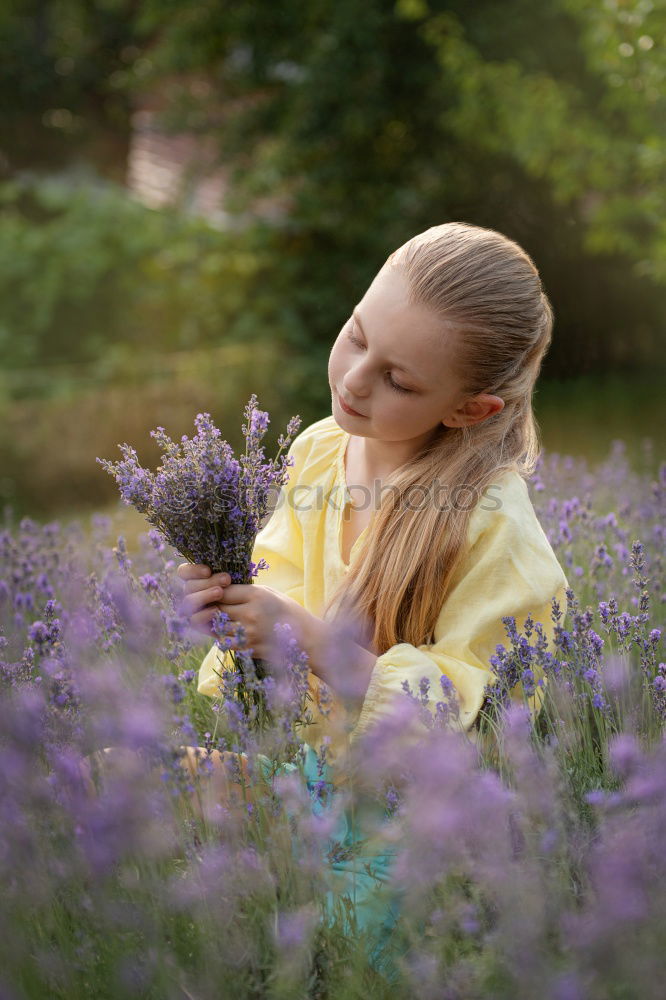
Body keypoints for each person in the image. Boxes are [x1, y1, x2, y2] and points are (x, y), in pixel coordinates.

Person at [178, 221, 569, 972]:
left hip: (421, 829)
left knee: (324, 945)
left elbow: (466, 722)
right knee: (107, 785)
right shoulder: (322, 450)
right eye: (357, 335)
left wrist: (314, 641)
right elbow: (280, 585)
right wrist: (235, 616)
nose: (355, 380)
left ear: (471, 409)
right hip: (310, 786)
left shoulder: (495, 532)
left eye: (400, 380)